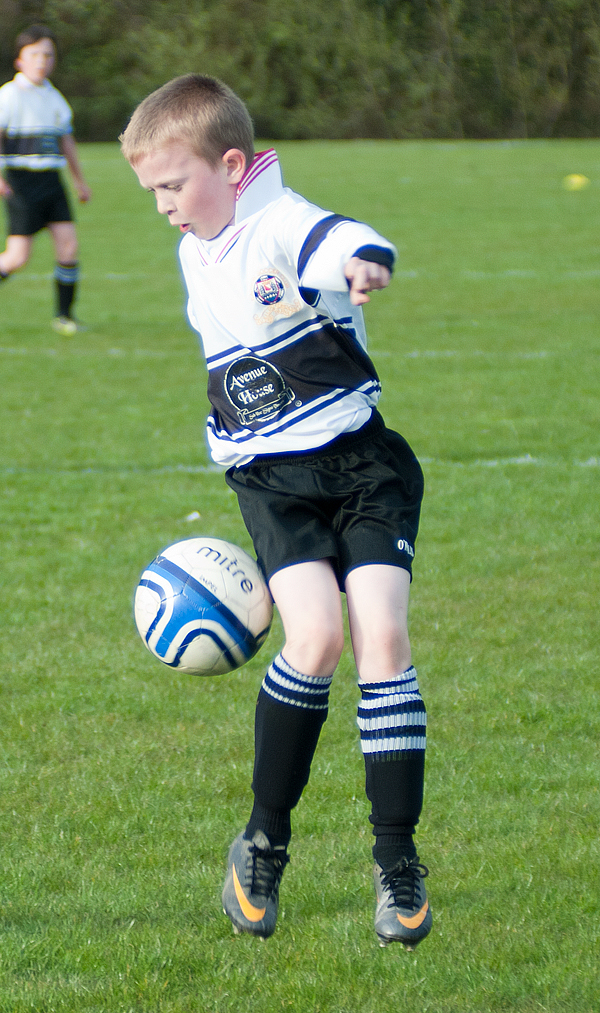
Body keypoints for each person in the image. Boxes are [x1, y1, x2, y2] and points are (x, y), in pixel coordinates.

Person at [121, 74, 431, 949]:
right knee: (317, 641)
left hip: (365, 467)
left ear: (231, 165)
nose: (164, 208)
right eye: (152, 193)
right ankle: (264, 838)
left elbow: (335, 238)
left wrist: (367, 261)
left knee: (382, 640)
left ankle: (397, 862)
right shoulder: (197, 243)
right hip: (272, 480)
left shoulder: (279, 222)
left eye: (172, 186)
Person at [0, 24, 92, 336]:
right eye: (35, 54)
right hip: (21, 183)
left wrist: (80, 181)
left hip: (52, 181)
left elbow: (66, 142)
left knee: (68, 246)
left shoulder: (55, 99)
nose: (42, 60)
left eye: (48, 54)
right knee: (16, 258)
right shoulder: (8, 96)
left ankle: (63, 317)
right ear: (20, 61)